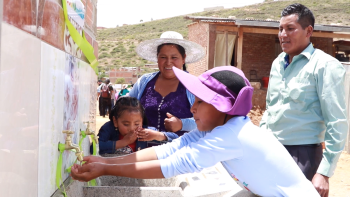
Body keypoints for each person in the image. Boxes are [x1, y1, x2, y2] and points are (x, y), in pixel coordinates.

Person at [71, 66, 319, 196]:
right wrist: (105, 161)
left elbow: (175, 164)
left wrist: (105, 168)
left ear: (223, 108)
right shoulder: (221, 127)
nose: (192, 107)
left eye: (201, 101)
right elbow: (172, 149)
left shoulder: (231, 135)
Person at [259, 3, 348, 197]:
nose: (283, 34)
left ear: (309, 31)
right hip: (271, 152)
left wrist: (324, 172)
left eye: (290, 29)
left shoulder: (325, 66)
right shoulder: (277, 63)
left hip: (303, 156)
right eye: (281, 29)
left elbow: (337, 122)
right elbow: (270, 108)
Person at [129, 31, 205, 145]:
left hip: (180, 152)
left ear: (183, 58)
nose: (168, 62)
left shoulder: (193, 85)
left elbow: (205, 120)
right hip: (141, 148)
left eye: (174, 57)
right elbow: (125, 108)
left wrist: (181, 124)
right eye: (163, 57)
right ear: (157, 58)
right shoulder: (144, 82)